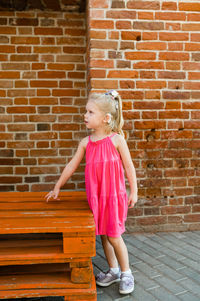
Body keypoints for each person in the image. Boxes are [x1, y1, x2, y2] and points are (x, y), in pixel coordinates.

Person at [45, 90, 138, 295]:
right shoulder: (86, 143)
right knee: (104, 236)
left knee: (114, 235)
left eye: (90, 112)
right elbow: (71, 165)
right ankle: (113, 270)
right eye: (86, 112)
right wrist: (57, 186)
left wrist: (134, 189)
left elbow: (129, 166)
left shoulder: (116, 140)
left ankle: (126, 273)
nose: (85, 116)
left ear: (105, 118)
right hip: (97, 198)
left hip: (113, 197)